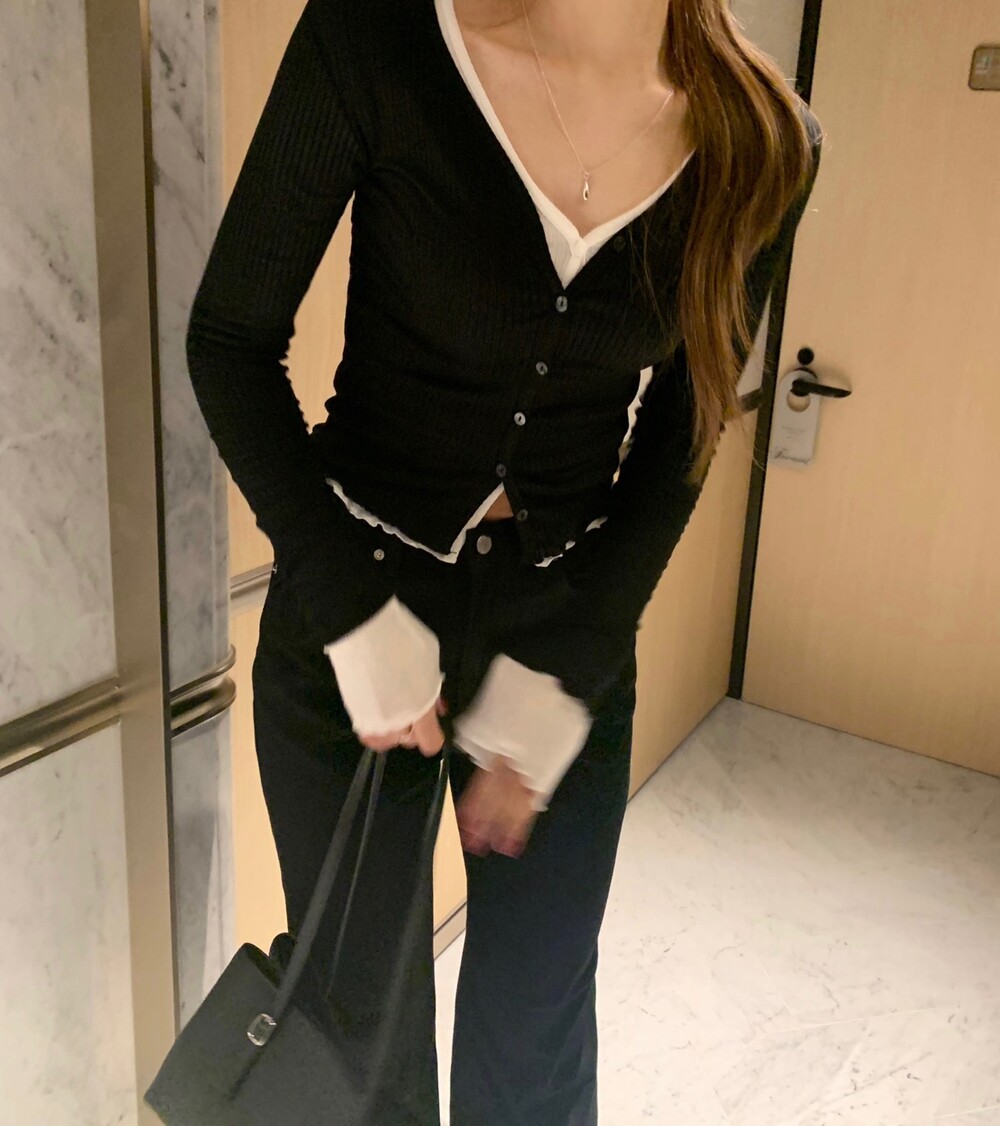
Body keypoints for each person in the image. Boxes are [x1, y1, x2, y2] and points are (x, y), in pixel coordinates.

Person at [184, 0, 823, 1120]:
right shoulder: (376, 38)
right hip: (354, 593)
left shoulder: (763, 140)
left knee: (536, 1042)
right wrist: (350, 611)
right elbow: (229, 342)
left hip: (569, 615)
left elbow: (686, 427)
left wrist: (570, 666)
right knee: (357, 1045)